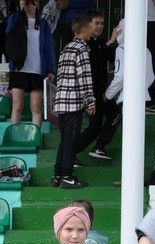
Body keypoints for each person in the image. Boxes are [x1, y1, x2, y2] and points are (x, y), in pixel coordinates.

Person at [52, 15, 94, 190]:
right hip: (74, 102)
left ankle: (58, 174)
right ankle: (68, 176)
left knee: (65, 139)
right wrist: (90, 101)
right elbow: (84, 77)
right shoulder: (81, 49)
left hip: (62, 101)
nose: (93, 30)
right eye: (91, 27)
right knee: (71, 140)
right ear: (83, 29)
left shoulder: (66, 48)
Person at [101, 21, 153, 160]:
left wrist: (108, 95)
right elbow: (151, 77)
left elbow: (120, 76)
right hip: (142, 97)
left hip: (127, 98)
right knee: (137, 136)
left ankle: (128, 178)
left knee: (129, 138)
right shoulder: (145, 49)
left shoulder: (122, 48)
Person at [73, 10, 119, 162]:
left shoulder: (100, 42)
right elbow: (95, 56)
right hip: (89, 93)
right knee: (95, 126)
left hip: (100, 92)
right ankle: (71, 154)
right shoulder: (84, 42)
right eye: (96, 23)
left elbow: (112, 55)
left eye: (102, 23)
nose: (100, 26)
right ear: (88, 25)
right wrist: (111, 42)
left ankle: (98, 147)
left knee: (114, 113)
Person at [5, 0, 55, 126]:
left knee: (36, 107)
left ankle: (35, 137)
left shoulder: (43, 25)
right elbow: (8, 31)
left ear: (37, 4)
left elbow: (49, 49)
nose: (29, 5)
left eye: (32, 2)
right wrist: (20, 12)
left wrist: (51, 70)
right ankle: (14, 135)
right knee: (17, 106)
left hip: (37, 70)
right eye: (26, 2)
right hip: (18, 68)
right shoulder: (15, 19)